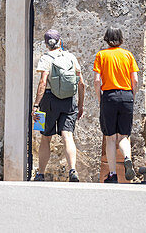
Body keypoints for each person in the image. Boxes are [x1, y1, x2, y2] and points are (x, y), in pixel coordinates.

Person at [32, 28, 84, 182]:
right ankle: (72, 170)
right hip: (69, 101)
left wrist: (36, 106)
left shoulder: (45, 58)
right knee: (67, 135)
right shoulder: (71, 57)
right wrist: (80, 106)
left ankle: (40, 174)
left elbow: (42, 82)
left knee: (45, 137)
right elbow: (81, 84)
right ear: (60, 41)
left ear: (47, 44)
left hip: (48, 101)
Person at [93, 27, 139, 183]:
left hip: (109, 97)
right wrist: (131, 95)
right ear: (121, 39)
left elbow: (97, 80)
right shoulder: (128, 55)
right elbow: (135, 80)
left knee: (110, 138)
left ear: (106, 38)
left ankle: (112, 174)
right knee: (123, 136)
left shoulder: (101, 55)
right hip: (126, 96)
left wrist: (100, 98)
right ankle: (127, 158)